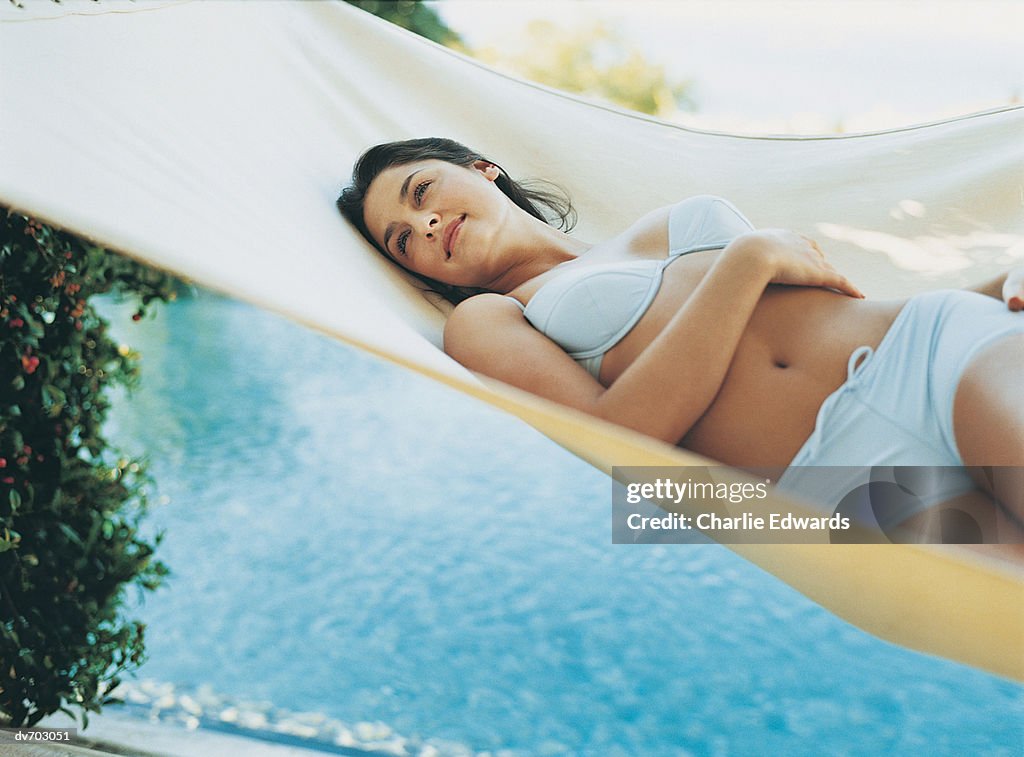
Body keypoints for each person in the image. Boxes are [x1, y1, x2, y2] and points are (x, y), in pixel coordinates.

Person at [338, 137, 1024, 544]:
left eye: (422, 191)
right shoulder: (487, 318)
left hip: (938, 348)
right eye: (403, 238)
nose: (424, 223)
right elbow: (621, 444)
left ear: (480, 167)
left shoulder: (659, 222)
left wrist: (1001, 284)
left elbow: (834, 305)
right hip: (841, 479)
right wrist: (746, 263)